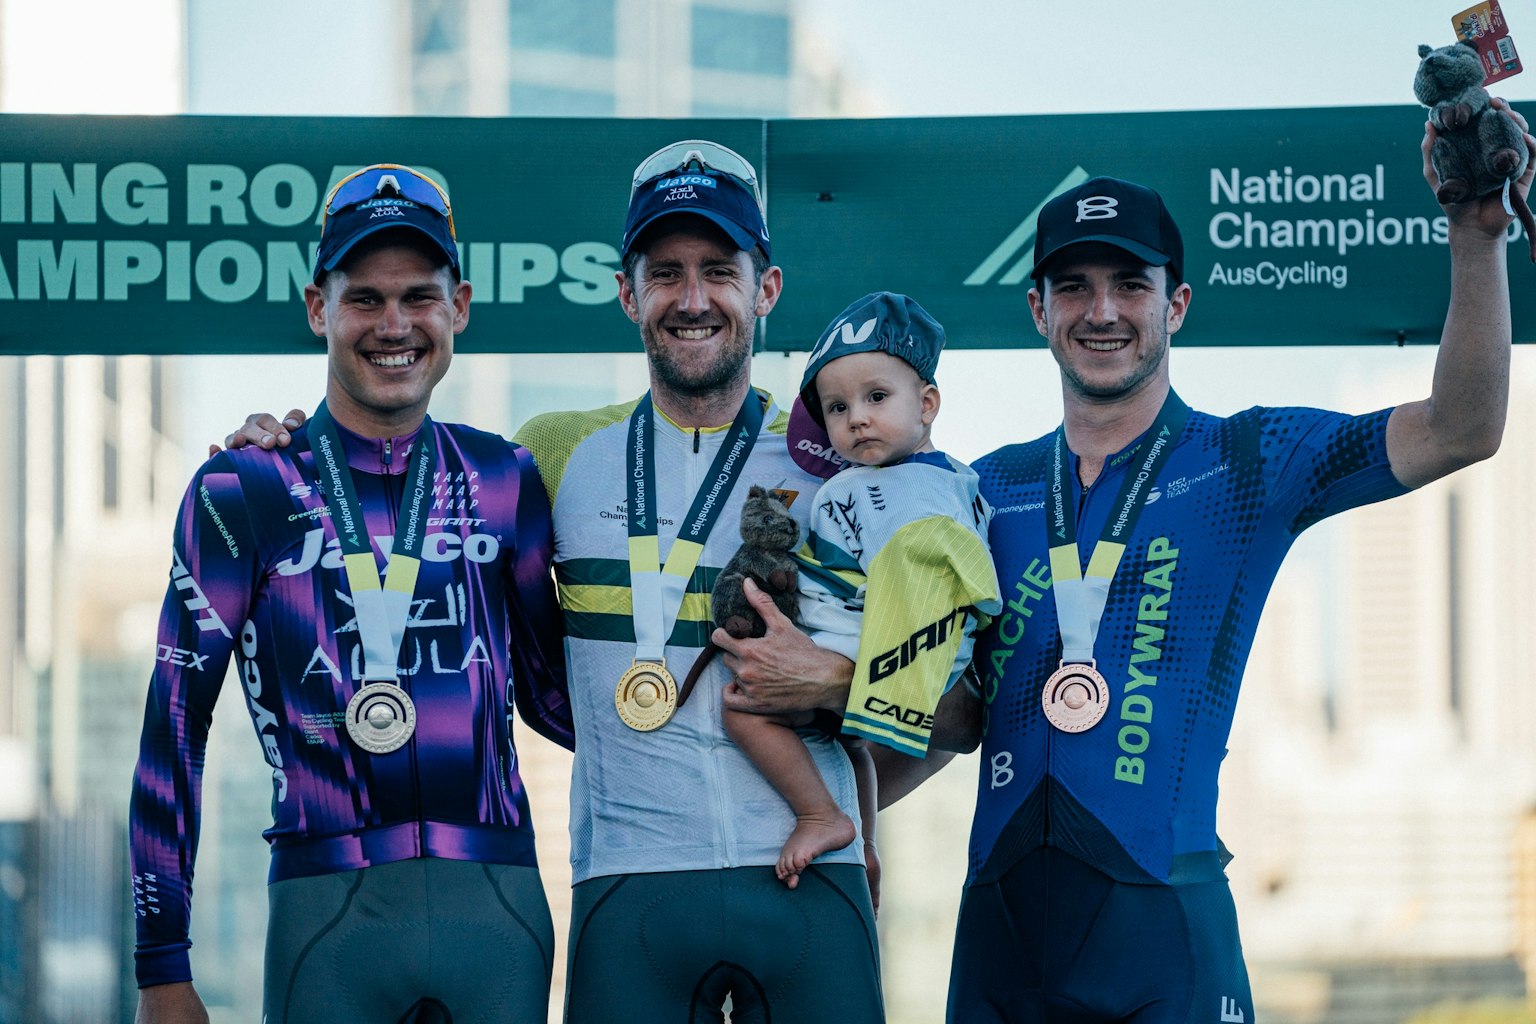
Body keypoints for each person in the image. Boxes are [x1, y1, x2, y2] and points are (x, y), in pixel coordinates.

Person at [223, 142, 888, 1023]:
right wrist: (293, 450)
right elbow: (418, 497)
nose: (692, 299)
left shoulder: (843, 458)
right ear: (626, 292)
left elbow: (953, 699)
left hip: (814, 882)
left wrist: (843, 697)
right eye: (664, 273)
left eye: (719, 271)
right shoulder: (554, 454)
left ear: (765, 288)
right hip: (628, 880)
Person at [937, 109, 1534, 1023]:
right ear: (1038, 309)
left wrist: (1473, 234)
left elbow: (1463, 428)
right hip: (998, 944)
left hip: (1165, 935)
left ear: (1175, 305)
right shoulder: (982, 490)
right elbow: (954, 718)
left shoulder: (1250, 460)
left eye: (1130, 284)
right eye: (1075, 286)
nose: (1102, 311)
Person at [129, 164, 573, 1024]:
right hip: (325, 916)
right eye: (364, 298)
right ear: (317, 308)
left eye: (420, 296)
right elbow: (173, 728)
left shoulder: (504, 476)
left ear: (461, 307)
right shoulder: (242, 488)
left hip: (502, 909)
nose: (395, 324)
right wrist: (161, 966)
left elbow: (561, 702)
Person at [729, 290, 1001, 897]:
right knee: (846, 741)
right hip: (889, 650)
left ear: (927, 403)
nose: (855, 417)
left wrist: (865, 670)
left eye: (876, 398)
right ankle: (865, 843)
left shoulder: (901, 493)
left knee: (744, 708)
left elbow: (925, 570)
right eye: (836, 406)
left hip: (869, 646)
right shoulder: (950, 481)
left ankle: (820, 815)